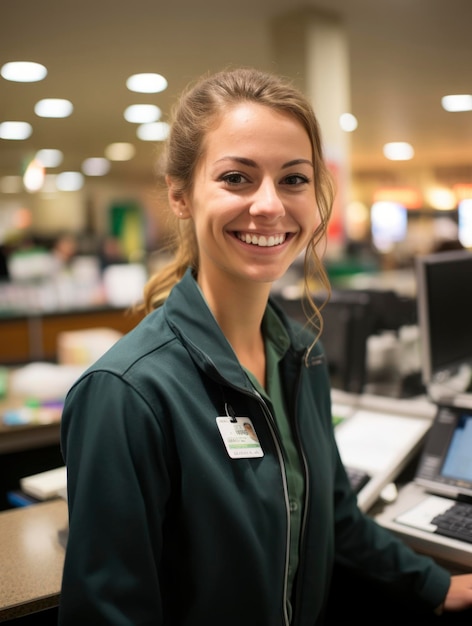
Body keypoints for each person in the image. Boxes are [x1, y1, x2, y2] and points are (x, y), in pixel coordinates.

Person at [59, 68, 472, 625]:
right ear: (180, 195)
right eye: (236, 177)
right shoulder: (128, 393)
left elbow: (334, 519)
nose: (270, 206)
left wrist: (437, 585)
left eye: (294, 179)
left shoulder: (302, 356)